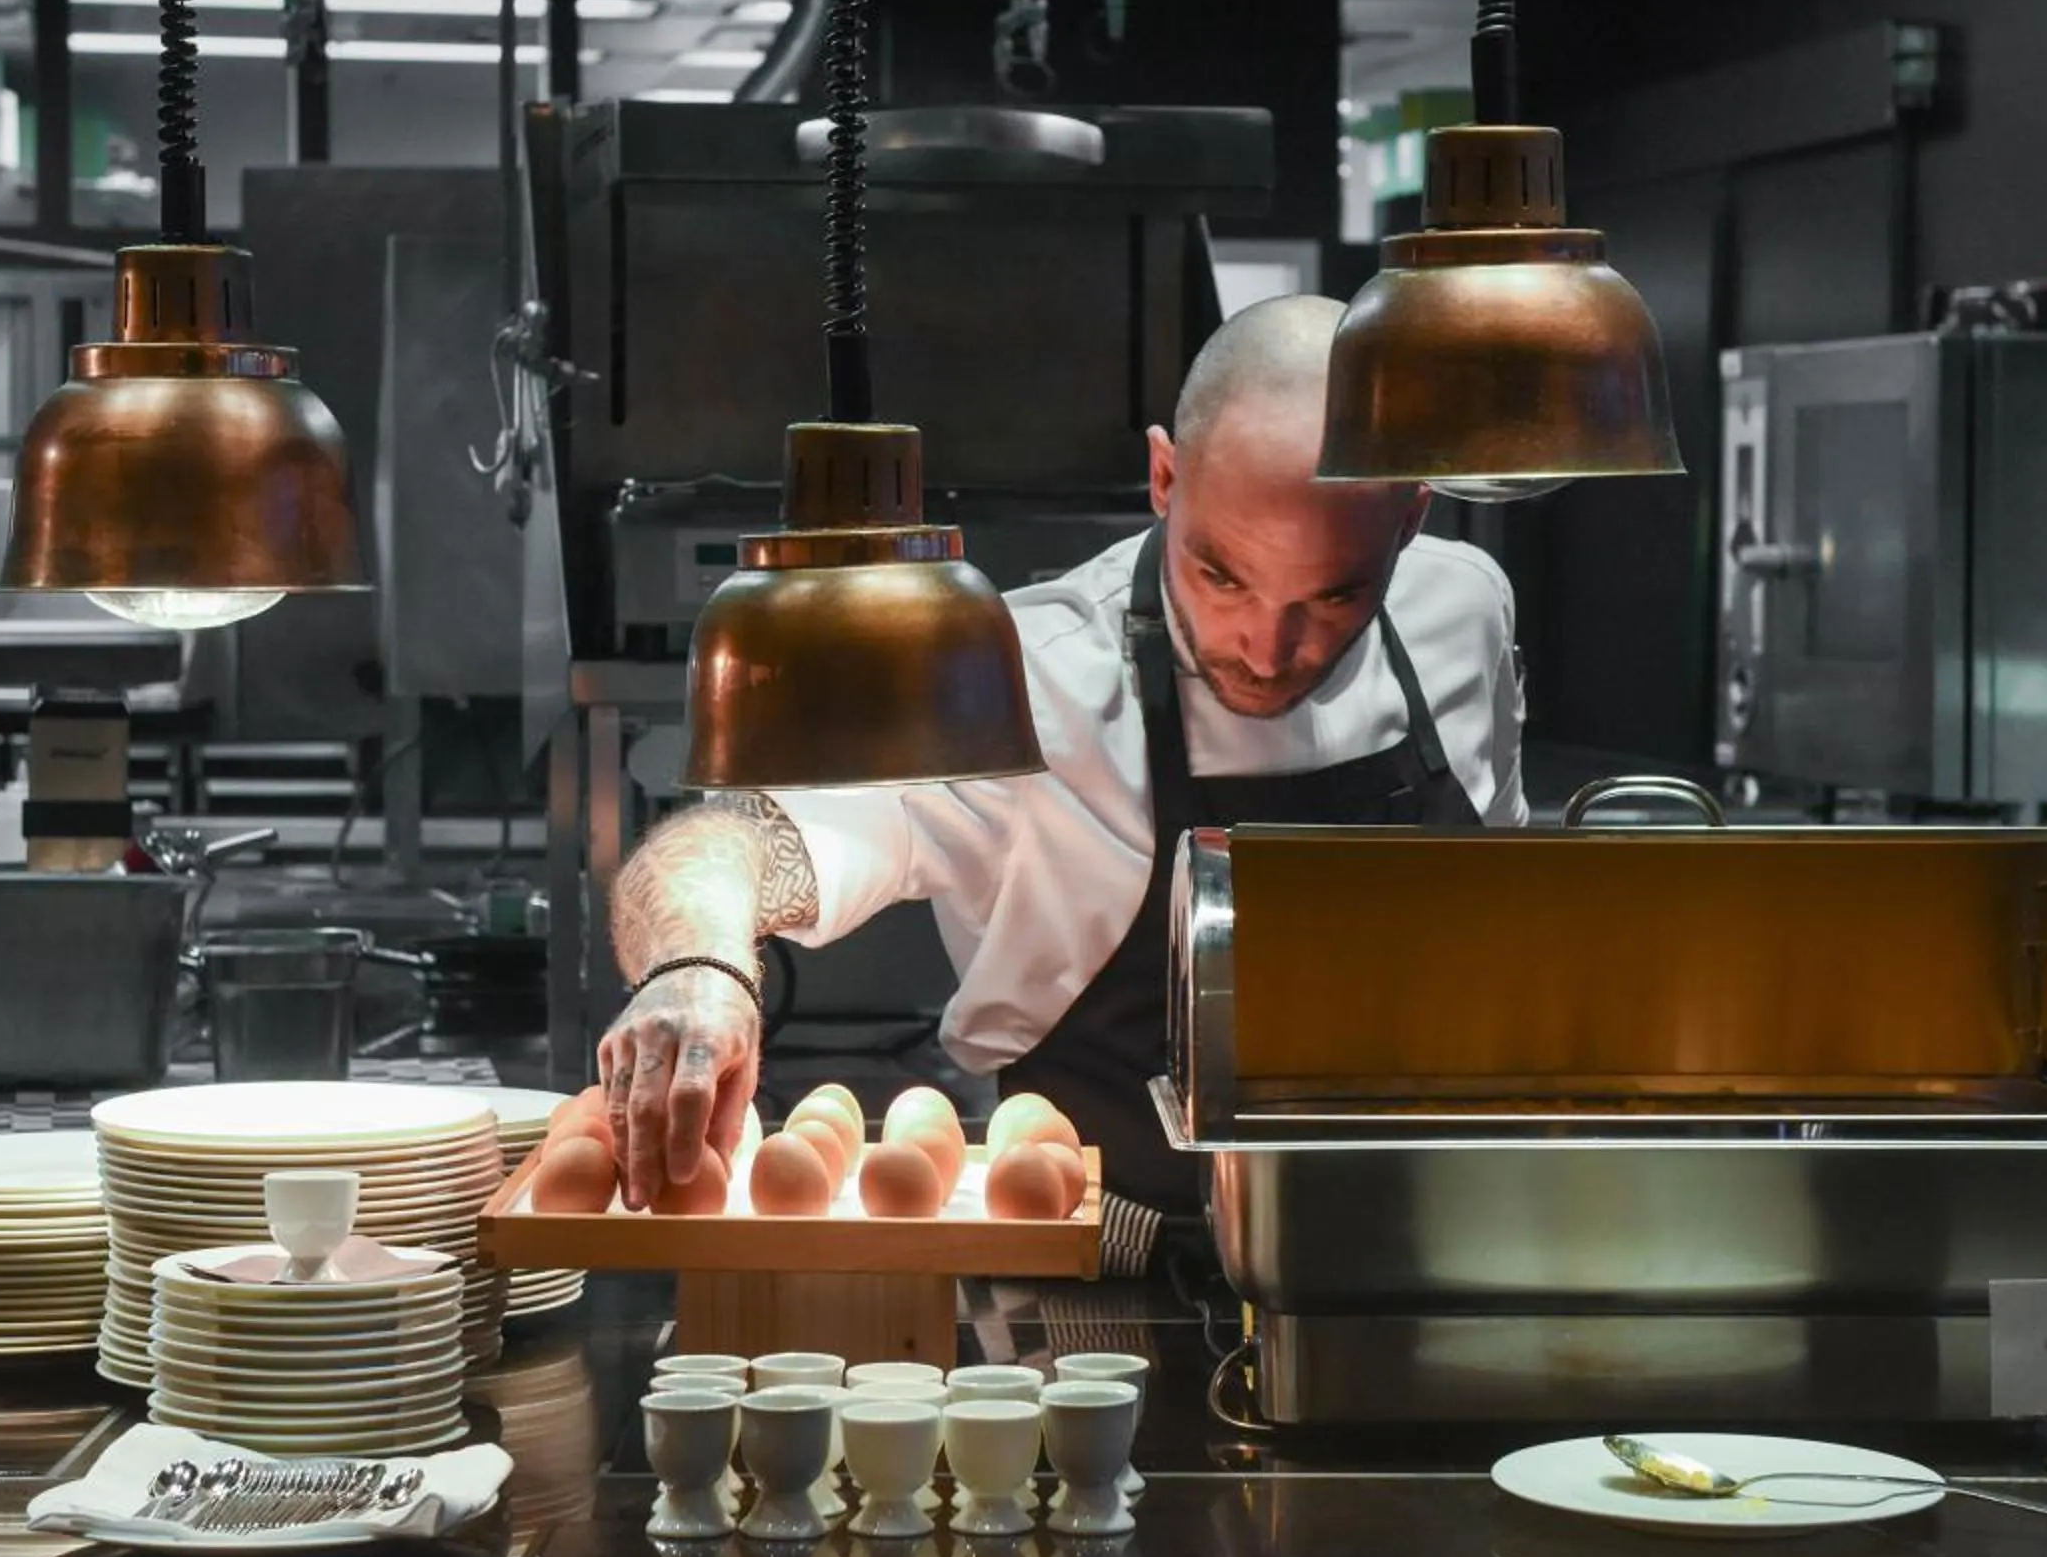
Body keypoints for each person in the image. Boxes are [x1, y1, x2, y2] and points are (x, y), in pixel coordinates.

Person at [597, 294, 1529, 1268]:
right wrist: (697, 969)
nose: (1267, 647)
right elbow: (740, 839)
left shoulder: (1464, 612)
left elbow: (1492, 915)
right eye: (1222, 577)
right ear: (1165, 476)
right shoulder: (1023, 677)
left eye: (1333, 595)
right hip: (1111, 1272)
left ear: (1413, 516)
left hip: (1421, 1254)